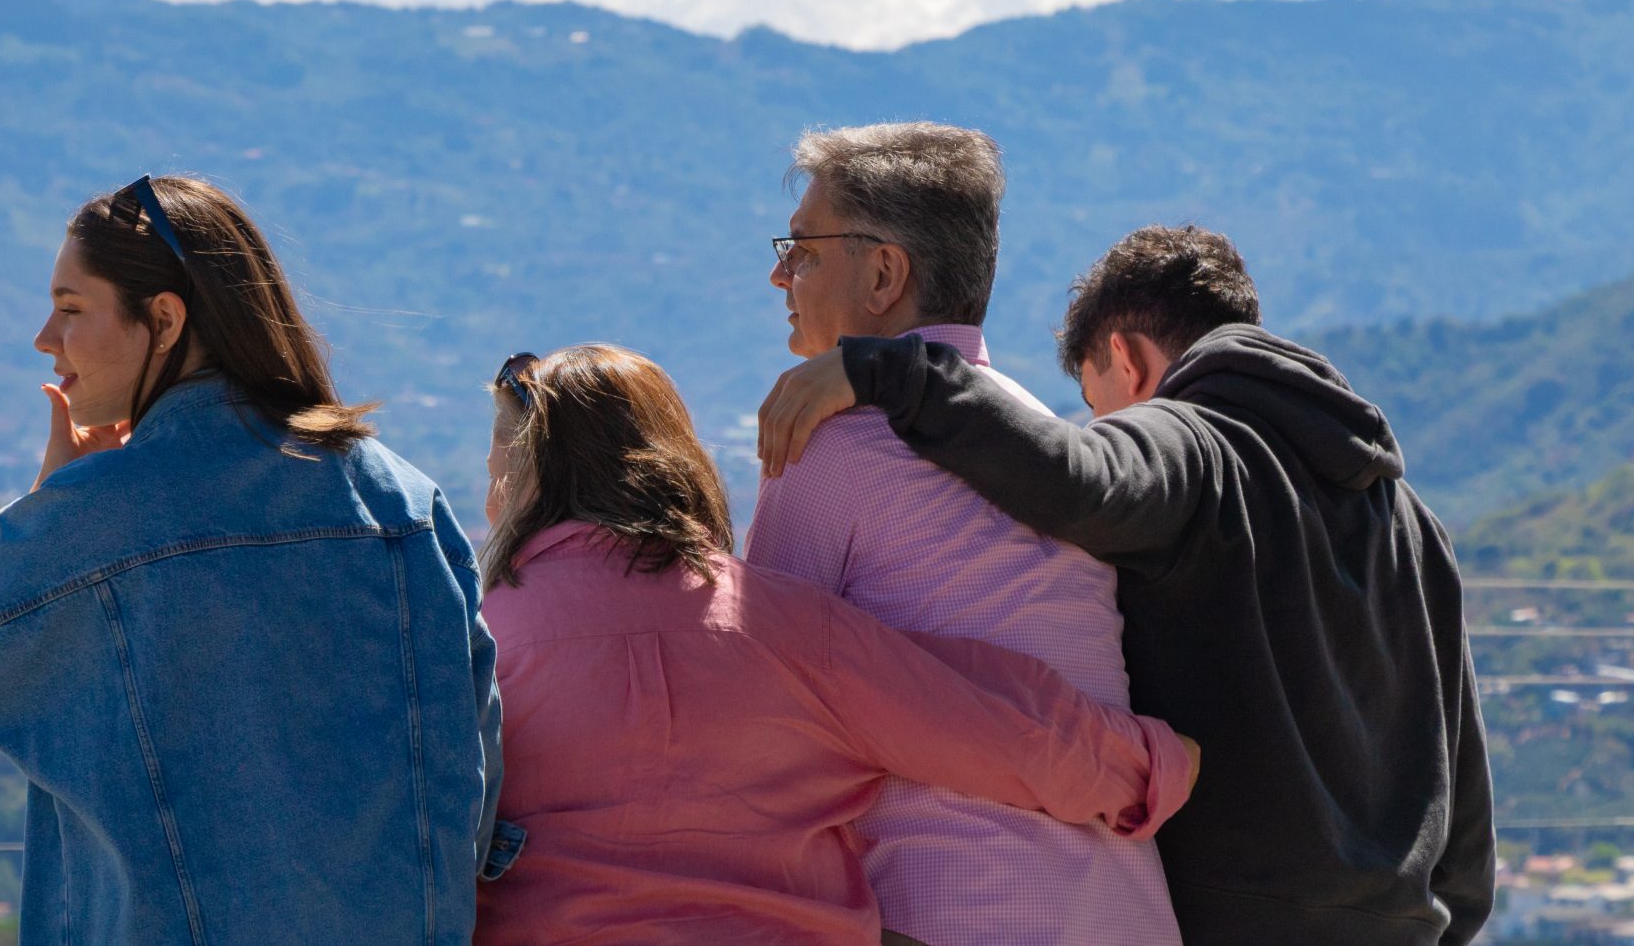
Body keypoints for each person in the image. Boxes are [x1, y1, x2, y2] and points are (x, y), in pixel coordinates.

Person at [756, 225, 1494, 946]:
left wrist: (893, 373)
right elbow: (1462, 821)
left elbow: (1077, 482)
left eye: (1097, 403)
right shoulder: (1413, 524)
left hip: (1231, 920)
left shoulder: (1193, 444)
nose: (1101, 424)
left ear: (1127, 358)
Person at [0, 175, 513, 944]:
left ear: (162, 318)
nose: (44, 339)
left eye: (69, 309)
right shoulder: (406, 505)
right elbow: (473, 772)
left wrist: (51, 504)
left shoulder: (99, 519)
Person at [476, 342, 1199, 946]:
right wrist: (1149, 766)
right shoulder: (777, 625)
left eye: (496, 476)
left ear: (526, 485)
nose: (487, 503)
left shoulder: (478, 648)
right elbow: (989, 720)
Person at [746, 122, 1181, 946]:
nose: (779, 274)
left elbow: (768, 709)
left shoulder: (830, 439)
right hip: (1125, 910)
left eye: (801, 249)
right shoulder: (1042, 431)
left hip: (945, 908)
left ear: (883, 273)